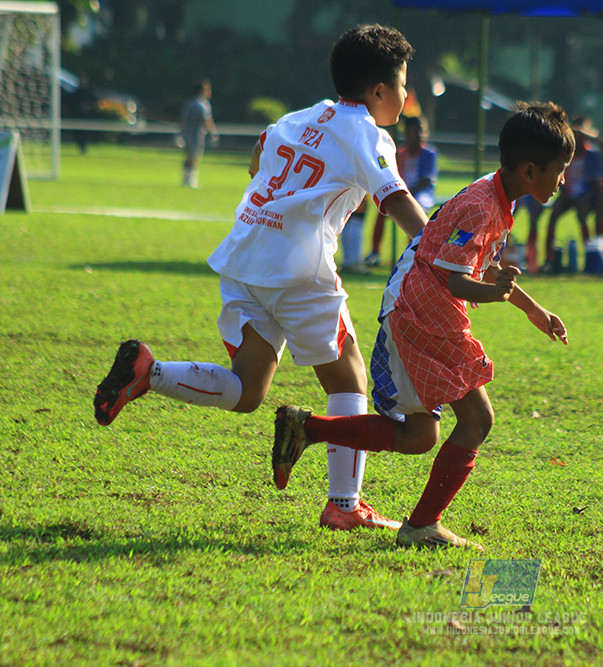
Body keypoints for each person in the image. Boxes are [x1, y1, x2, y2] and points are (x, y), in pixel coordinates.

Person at [94, 24, 429, 531]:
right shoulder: (367, 132)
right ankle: (344, 506)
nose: (406, 96)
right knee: (349, 380)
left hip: (244, 257)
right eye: (403, 85)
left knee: (249, 390)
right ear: (379, 91)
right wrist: (436, 249)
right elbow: (396, 198)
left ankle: (150, 371)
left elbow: (257, 159)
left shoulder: (298, 117)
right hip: (298, 272)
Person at [272, 102, 574, 550]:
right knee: (478, 419)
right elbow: (457, 280)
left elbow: (480, 265)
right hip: (426, 316)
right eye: (560, 170)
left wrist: (532, 309)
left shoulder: (497, 197)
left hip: (423, 309)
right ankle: (422, 525)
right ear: (530, 170)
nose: (563, 180)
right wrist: (497, 294)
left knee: (419, 436)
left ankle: (308, 428)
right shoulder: (481, 207)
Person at [366, 114, 438, 266]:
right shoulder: (399, 154)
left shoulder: (429, 154)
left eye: (423, 131)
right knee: (382, 210)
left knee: (414, 210)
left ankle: (413, 255)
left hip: (420, 194)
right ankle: (374, 253)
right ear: (407, 133)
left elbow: (426, 180)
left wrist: (407, 193)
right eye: (416, 131)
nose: (421, 134)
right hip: (402, 192)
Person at [538, 114, 603, 273]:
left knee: (582, 216)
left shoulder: (593, 155)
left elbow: (596, 184)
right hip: (568, 194)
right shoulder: (566, 153)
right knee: (553, 216)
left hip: (586, 196)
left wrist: (585, 197)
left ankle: (589, 258)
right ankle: (549, 259)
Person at [180, 79, 219, 188]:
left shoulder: (190, 103)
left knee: (189, 156)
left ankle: (186, 179)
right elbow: (206, 120)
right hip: (196, 134)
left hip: (187, 133)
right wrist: (213, 133)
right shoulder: (202, 104)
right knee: (195, 157)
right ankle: (191, 180)